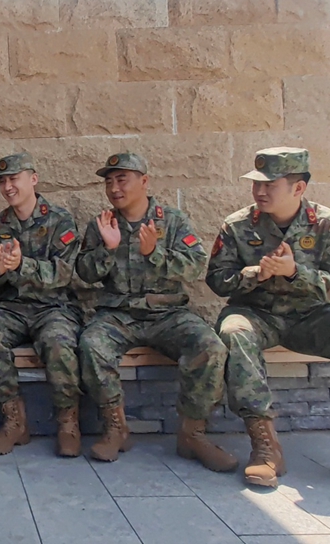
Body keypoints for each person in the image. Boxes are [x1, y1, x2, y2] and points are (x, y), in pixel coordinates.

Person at [77, 153, 237, 472]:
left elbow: (195, 267)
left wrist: (155, 253)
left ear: (144, 182)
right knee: (91, 344)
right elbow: (84, 272)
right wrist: (108, 249)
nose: (114, 188)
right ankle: (116, 428)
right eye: (109, 182)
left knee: (210, 347)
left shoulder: (172, 220)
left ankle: (193, 434)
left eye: (122, 179)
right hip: (118, 313)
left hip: (167, 313)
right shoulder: (103, 223)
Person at [207, 147, 330, 487]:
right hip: (256, 313)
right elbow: (217, 280)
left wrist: (296, 272)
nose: (260, 191)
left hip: (311, 316)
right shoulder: (238, 225)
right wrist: (257, 273)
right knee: (234, 331)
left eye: (270, 184)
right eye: (256, 184)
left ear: (298, 188)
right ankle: (265, 446)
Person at [0, 153, 83, 456]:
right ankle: (14, 420)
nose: (8, 187)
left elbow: (64, 273)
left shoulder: (60, 220)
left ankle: (68, 423)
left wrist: (22, 265)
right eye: (2, 181)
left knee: (59, 343)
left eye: (14, 179)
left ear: (33, 179)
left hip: (54, 307)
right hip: (13, 307)